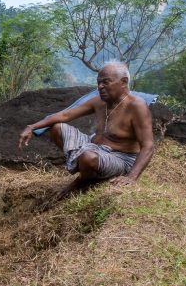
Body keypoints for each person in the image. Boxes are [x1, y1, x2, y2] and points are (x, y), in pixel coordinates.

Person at [17, 61, 154, 198]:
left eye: (106, 82)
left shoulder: (137, 106)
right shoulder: (99, 101)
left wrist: (131, 177)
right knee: (57, 128)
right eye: (99, 82)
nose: (100, 87)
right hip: (93, 146)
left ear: (123, 82)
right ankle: (87, 170)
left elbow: (148, 146)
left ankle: (82, 181)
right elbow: (66, 115)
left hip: (120, 158)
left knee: (88, 157)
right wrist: (32, 127)